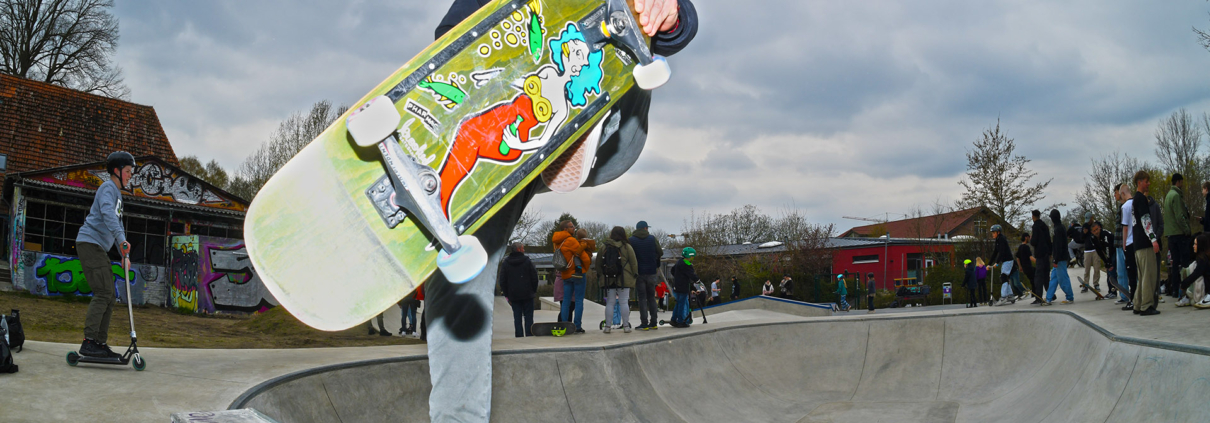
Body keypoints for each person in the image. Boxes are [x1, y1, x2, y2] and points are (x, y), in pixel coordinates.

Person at [427, 0, 698, 418]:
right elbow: (448, 37)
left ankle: (583, 121)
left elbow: (683, 25)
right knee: (457, 265)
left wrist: (670, 11)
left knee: (622, 19)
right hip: (505, 147)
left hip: (609, 138)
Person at [76, 151, 135, 358]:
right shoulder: (107, 188)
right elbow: (108, 214)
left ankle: (99, 343)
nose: (130, 176)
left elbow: (117, 224)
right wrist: (121, 241)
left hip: (97, 246)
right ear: (117, 171)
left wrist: (123, 253)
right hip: (89, 243)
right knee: (103, 292)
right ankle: (89, 341)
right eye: (127, 171)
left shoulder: (116, 194)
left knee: (109, 296)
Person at [1131, 171, 1162, 316]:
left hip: (1137, 245)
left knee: (1142, 276)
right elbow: (1145, 220)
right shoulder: (1141, 199)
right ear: (1139, 182)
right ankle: (1147, 306)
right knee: (1149, 276)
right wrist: (1153, 239)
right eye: (1146, 181)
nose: (1148, 184)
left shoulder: (1133, 201)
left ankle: (1137, 304)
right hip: (1145, 243)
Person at [597, 226, 637, 334]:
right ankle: (626, 326)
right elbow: (633, 262)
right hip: (624, 279)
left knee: (610, 303)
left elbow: (598, 263)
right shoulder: (627, 247)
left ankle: (608, 327)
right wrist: (634, 274)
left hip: (608, 279)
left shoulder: (604, 247)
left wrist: (601, 275)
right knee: (624, 302)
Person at [499, 242, 539, 337]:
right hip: (527, 293)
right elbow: (534, 277)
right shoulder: (527, 261)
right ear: (519, 249)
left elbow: (502, 281)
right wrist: (533, 290)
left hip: (513, 294)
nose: (524, 250)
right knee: (528, 316)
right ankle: (529, 334)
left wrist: (507, 294)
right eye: (523, 248)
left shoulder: (506, 263)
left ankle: (519, 336)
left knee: (517, 317)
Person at [629, 221, 664, 331]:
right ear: (645, 228)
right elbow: (660, 253)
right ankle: (653, 322)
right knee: (651, 298)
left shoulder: (631, 240)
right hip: (651, 272)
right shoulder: (652, 238)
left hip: (638, 273)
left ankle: (644, 323)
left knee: (642, 299)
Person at [558, 228, 594, 333]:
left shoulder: (560, 242)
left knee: (566, 301)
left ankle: (564, 324)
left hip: (566, 274)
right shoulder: (580, 244)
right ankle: (577, 326)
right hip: (578, 274)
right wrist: (585, 268)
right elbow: (586, 260)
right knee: (578, 300)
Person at [1164, 173, 1193, 300]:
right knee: (1185, 262)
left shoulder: (1168, 196)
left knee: (1174, 263)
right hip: (1179, 234)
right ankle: (1185, 288)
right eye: (1182, 182)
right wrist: (1187, 230)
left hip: (1170, 234)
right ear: (1178, 182)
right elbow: (1179, 216)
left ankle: (1174, 290)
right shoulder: (1176, 196)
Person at [1047, 209, 1075, 304]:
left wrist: (1055, 259)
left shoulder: (1058, 229)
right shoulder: (1061, 227)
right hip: (1060, 257)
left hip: (1060, 258)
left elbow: (1058, 246)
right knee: (1054, 278)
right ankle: (1048, 298)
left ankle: (1070, 297)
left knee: (1062, 278)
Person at [1086, 221, 1117, 299]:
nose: (1096, 232)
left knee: (1111, 271)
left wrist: (1109, 262)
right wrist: (1105, 262)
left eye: (1097, 229)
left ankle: (1113, 291)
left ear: (1099, 228)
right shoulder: (1093, 238)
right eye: (1094, 231)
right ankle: (1111, 291)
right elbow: (1099, 251)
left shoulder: (1104, 234)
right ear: (1091, 232)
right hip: (1109, 252)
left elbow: (1108, 249)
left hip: (1115, 251)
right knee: (1109, 272)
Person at [670, 247, 701, 327]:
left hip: (676, 286)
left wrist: (678, 277)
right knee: (682, 304)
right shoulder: (687, 264)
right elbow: (691, 274)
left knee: (678, 303)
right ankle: (681, 321)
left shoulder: (679, 261)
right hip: (683, 287)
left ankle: (673, 320)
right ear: (691, 256)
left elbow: (672, 270)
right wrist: (697, 280)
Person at [1119, 183, 1138, 309]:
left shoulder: (1125, 207)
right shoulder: (1138, 203)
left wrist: (1124, 244)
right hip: (1140, 242)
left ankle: (1133, 299)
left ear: (1123, 194)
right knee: (1140, 272)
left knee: (1131, 273)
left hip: (1130, 242)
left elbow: (1125, 228)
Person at [1179, 233, 1210, 308]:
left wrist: (1184, 284)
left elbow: (1196, 274)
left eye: (1195, 244)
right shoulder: (1201, 258)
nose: (1193, 246)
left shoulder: (1203, 260)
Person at [989, 225, 1018, 299]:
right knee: (1004, 277)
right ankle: (1010, 294)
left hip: (1008, 260)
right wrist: (989, 264)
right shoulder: (998, 240)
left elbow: (1001, 252)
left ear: (998, 232)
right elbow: (995, 252)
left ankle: (1004, 296)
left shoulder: (1002, 239)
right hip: (1005, 261)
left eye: (994, 232)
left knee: (1003, 277)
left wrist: (997, 263)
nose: (992, 234)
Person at [1031, 210, 1053, 305]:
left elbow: (1034, 242)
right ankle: (1050, 295)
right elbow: (1049, 240)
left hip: (1039, 254)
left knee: (1038, 277)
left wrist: (1031, 239)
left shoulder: (1035, 226)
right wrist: (1050, 252)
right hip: (1046, 254)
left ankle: (1038, 297)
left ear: (1033, 216)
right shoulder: (1045, 226)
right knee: (1046, 276)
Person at [1080, 213, 1103, 293]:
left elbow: (1101, 234)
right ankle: (1085, 284)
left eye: (1089, 220)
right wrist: (1084, 233)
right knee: (1087, 268)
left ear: (1092, 218)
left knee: (1097, 267)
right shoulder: (1085, 226)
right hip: (1087, 250)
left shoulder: (1097, 224)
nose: (1088, 222)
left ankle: (1096, 283)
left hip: (1096, 249)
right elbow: (1081, 238)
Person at [1016, 234, 1035, 301]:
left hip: (1024, 267)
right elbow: (1030, 257)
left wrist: (1020, 267)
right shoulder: (1026, 247)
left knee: (1032, 280)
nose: (1029, 239)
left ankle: (1034, 295)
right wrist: (1037, 262)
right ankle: (1035, 295)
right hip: (1028, 266)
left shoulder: (1020, 247)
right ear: (1026, 238)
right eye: (1029, 237)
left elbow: (1017, 258)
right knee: (1034, 280)